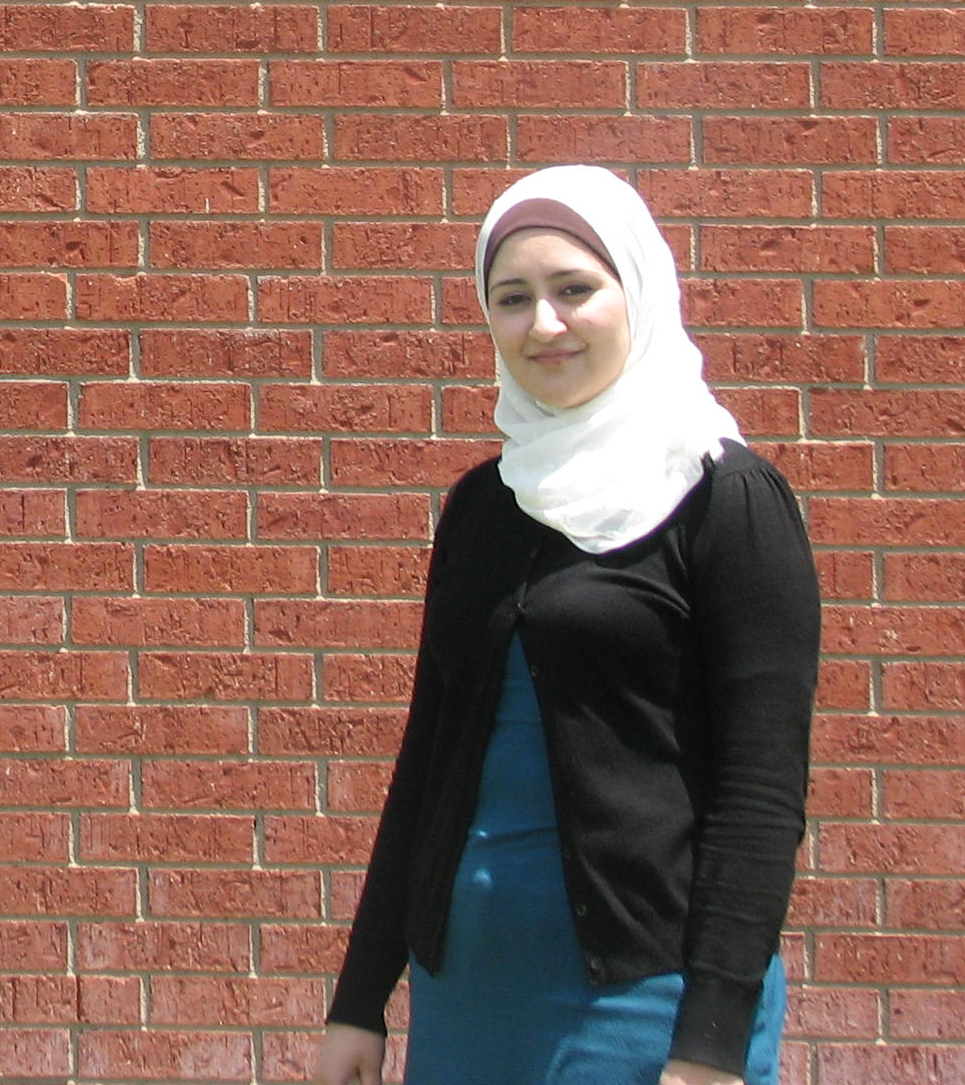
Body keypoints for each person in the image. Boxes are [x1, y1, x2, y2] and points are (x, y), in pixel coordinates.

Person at [314, 166, 820, 1085]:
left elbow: (761, 797)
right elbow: (429, 757)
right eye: (512, 299)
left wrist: (709, 1046)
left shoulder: (727, 500)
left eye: (574, 289)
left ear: (639, 289)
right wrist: (360, 999)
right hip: (466, 999)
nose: (543, 324)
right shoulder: (482, 507)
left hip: (646, 1005)